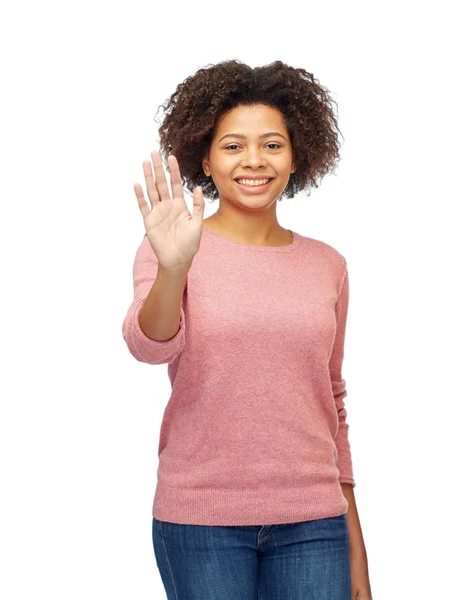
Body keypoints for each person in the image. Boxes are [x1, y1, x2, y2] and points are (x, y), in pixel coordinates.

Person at [122, 59, 372, 599]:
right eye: (233, 145)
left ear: (296, 156)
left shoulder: (327, 264)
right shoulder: (173, 247)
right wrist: (173, 267)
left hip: (313, 523)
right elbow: (149, 346)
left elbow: (332, 399)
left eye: (272, 145)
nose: (253, 160)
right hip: (200, 520)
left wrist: (355, 544)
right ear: (205, 162)